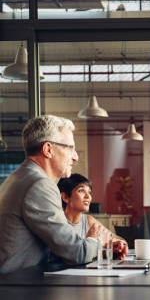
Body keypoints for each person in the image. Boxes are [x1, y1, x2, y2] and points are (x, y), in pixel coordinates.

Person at [0, 115, 127, 273]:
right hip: (19, 289)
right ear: (48, 150)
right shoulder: (39, 185)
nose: (75, 157)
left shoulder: (20, 177)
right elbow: (77, 253)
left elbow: (58, 246)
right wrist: (96, 240)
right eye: (70, 148)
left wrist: (100, 246)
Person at [57, 173, 126, 248]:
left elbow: (121, 241)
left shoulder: (88, 221)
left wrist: (118, 245)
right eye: (81, 191)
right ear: (65, 197)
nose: (88, 196)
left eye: (89, 192)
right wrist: (91, 240)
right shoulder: (57, 223)